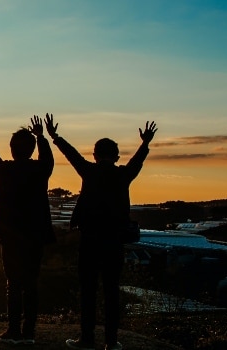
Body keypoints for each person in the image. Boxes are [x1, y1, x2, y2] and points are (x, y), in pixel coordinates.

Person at [47, 114, 157, 350]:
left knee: (88, 290)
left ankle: (87, 339)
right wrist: (145, 143)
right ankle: (111, 341)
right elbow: (137, 161)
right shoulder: (123, 175)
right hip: (114, 241)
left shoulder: (89, 171)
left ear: (95, 155)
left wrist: (55, 136)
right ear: (116, 156)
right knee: (111, 292)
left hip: (90, 240)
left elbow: (72, 154)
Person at [0, 114, 55, 345]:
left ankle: (13, 330)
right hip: (35, 235)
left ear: (12, 149)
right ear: (32, 149)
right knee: (31, 283)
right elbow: (49, 159)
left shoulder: (5, 171)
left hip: (11, 236)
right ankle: (29, 332)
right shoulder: (40, 170)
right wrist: (42, 137)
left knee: (13, 283)